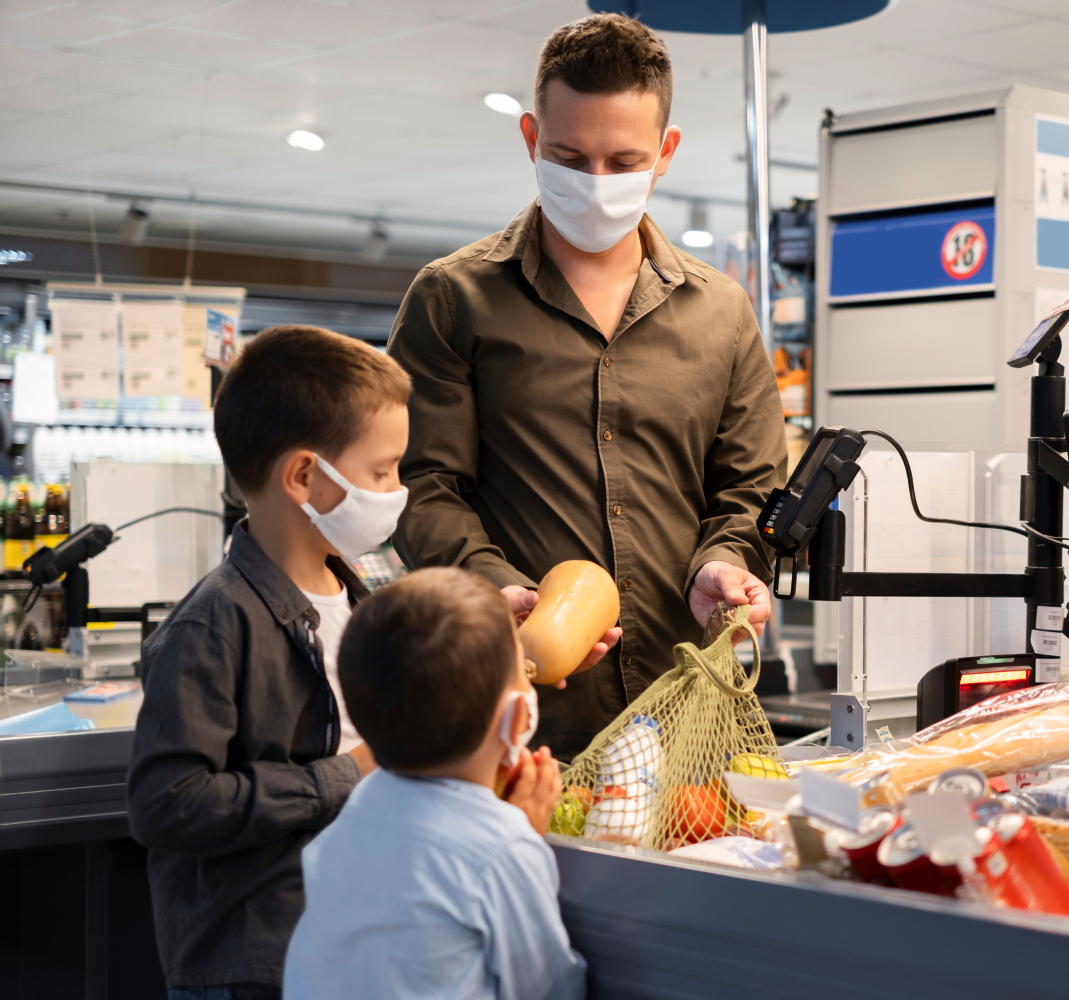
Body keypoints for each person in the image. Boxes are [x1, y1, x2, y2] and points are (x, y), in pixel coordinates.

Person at [389, 13, 787, 761]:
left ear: (665, 152)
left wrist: (725, 563)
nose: (596, 184)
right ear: (531, 137)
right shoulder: (454, 298)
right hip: (524, 712)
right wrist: (487, 582)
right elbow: (420, 481)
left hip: (693, 708)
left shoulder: (723, 311)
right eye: (570, 157)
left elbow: (751, 487)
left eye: (623, 160)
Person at [128, 325, 412, 997]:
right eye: (381, 471)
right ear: (304, 477)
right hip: (259, 967)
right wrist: (347, 774)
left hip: (352, 941)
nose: (398, 489)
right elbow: (168, 805)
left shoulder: (360, 597)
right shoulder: (213, 625)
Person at [283, 568, 586, 1000]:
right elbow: (550, 987)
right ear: (519, 716)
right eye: (523, 667)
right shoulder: (504, 849)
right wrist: (523, 835)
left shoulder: (358, 805)